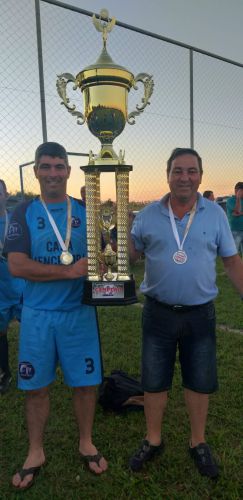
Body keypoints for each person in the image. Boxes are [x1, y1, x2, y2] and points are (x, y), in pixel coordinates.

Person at [129, 147, 243, 479]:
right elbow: (131, 257)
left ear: (200, 176)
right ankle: (153, 439)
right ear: (167, 175)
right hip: (158, 313)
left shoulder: (216, 215)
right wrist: (120, 232)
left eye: (191, 171)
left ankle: (198, 441)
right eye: (178, 171)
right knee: (154, 381)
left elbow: (232, 263)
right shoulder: (148, 215)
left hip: (200, 314)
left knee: (199, 380)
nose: (185, 177)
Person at [4, 142, 107, 491]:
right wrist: (67, 273)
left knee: (85, 383)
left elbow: (100, 257)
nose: (52, 173)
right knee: (36, 388)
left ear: (67, 170)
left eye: (58, 166)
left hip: (78, 314)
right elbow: (16, 265)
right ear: (35, 171)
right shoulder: (23, 213)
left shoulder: (85, 211)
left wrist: (104, 264)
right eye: (45, 166)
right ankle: (35, 451)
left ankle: (86, 441)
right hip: (38, 316)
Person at [0, 179, 24, 394]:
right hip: (0, 291)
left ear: (6, 194)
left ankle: (33, 369)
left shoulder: (15, 221)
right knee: (1, 332)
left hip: (21, 287)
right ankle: (4, 373)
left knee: (32, 329)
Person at [226, 182, 243, 255]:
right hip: (235, 231)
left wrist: (239, 213)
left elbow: (238, 213)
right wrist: (238, 198)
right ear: (237, 191)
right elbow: (237, 211)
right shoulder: (231, 200)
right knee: (234, 254)